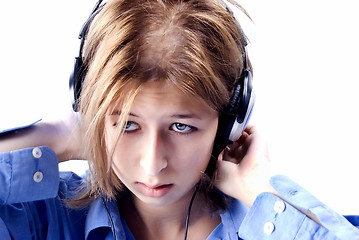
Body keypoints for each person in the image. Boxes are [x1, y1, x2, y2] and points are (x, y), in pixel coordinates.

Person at [0, 0, 358, 239]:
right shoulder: (47, 219)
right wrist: (53, 137)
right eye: (126, 123)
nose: (153, 164)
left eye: (182, 126)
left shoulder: (274, 226)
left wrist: (260, 188)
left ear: (229, 122)